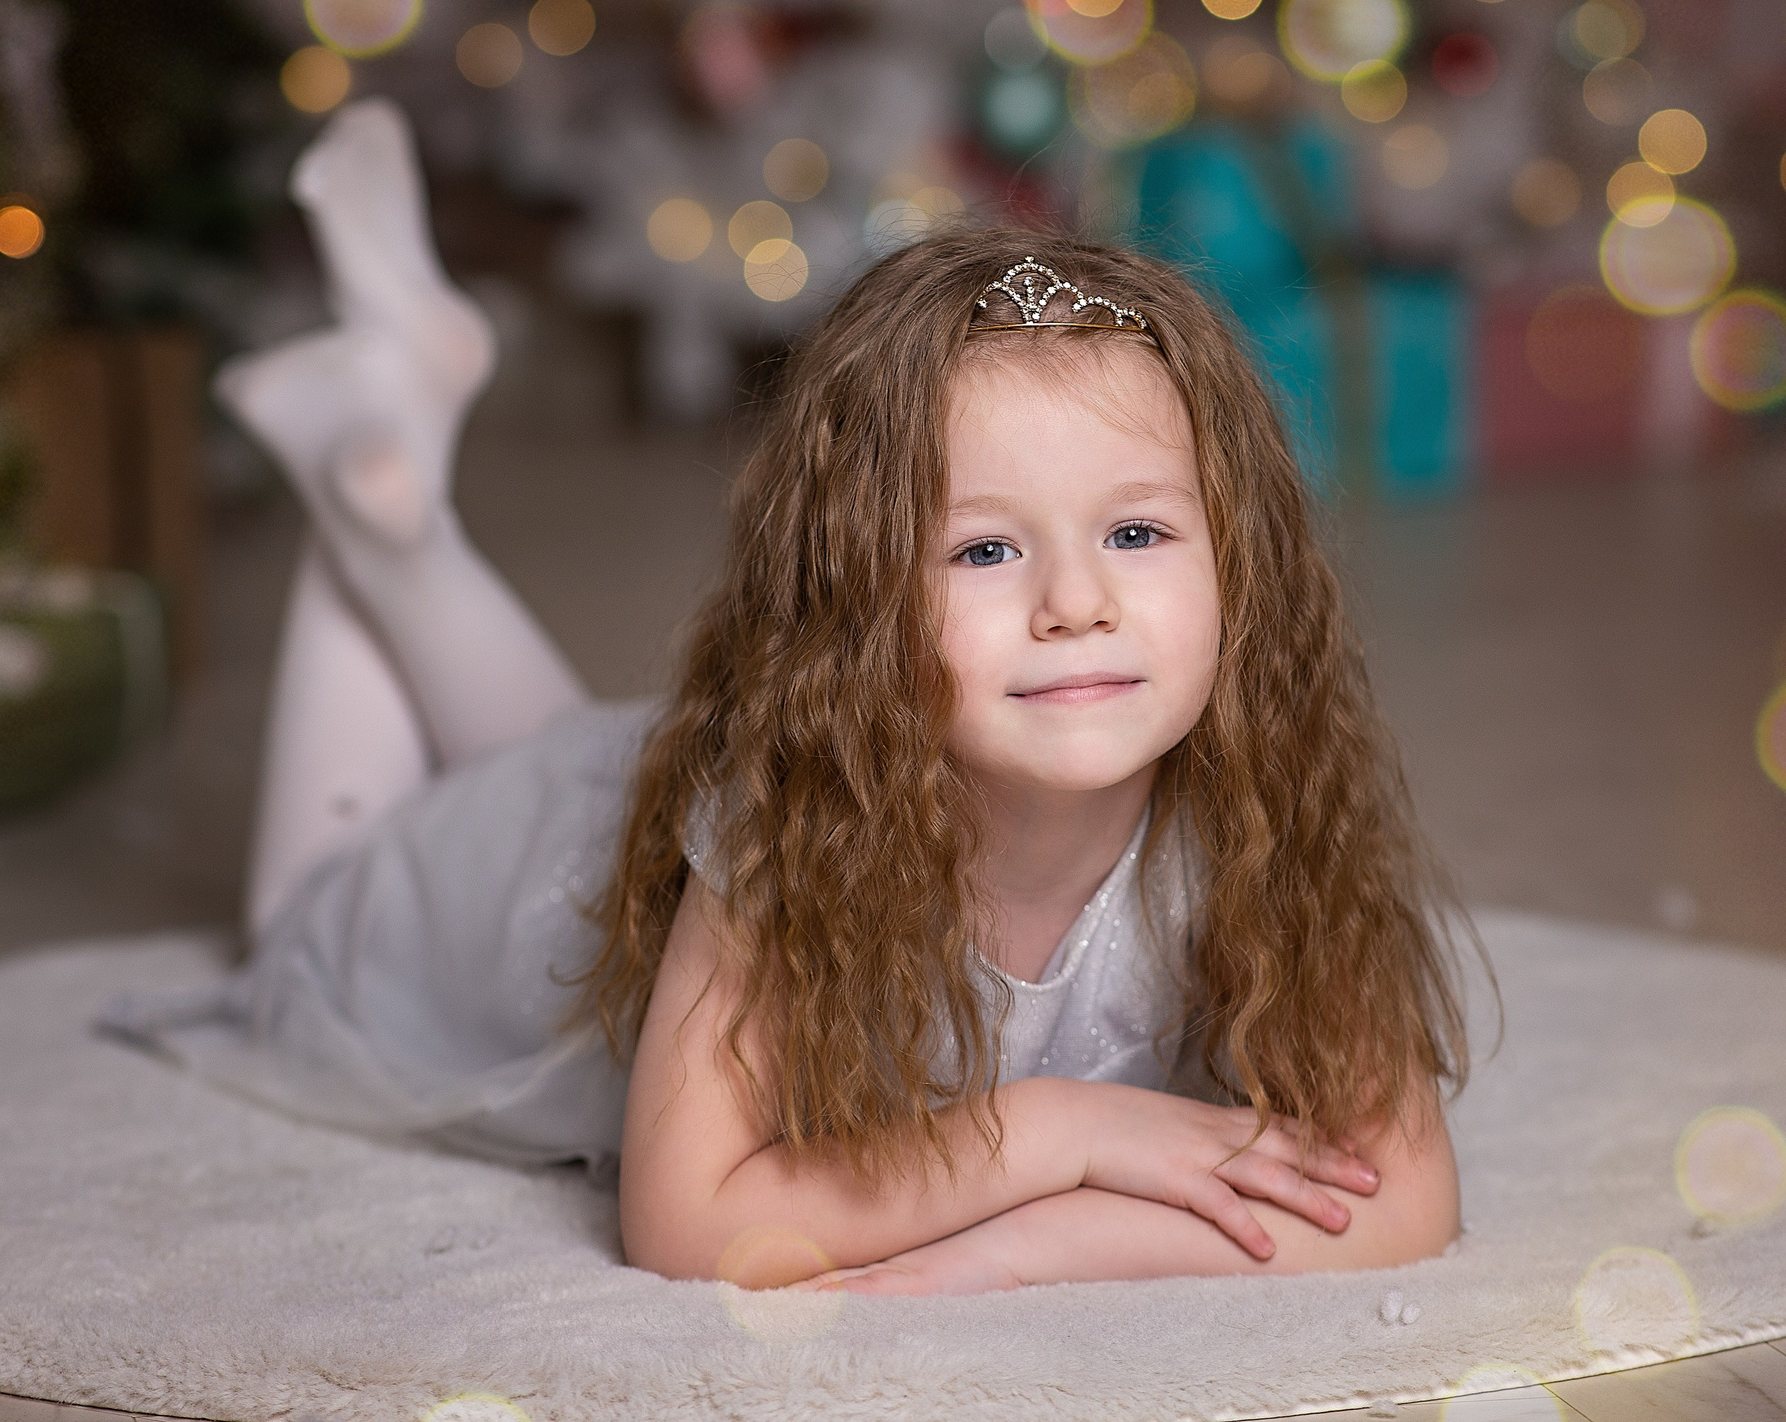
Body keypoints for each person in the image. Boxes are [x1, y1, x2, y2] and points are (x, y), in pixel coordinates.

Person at [107, 99, 1475, 1295]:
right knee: (302, 922)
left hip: (611, 796)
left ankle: (399, 452)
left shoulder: (1264, 799)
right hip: (504, 905)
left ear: (1243, 558)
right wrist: (1063, 1135)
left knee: (596, 773)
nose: (1077, 604)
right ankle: (372, 518)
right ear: (858, 597)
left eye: (1137, 533)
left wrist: (1027, 1246)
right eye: (986, 548)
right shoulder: (787, 817)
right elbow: (688, 1219)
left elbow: (1408, 1203)